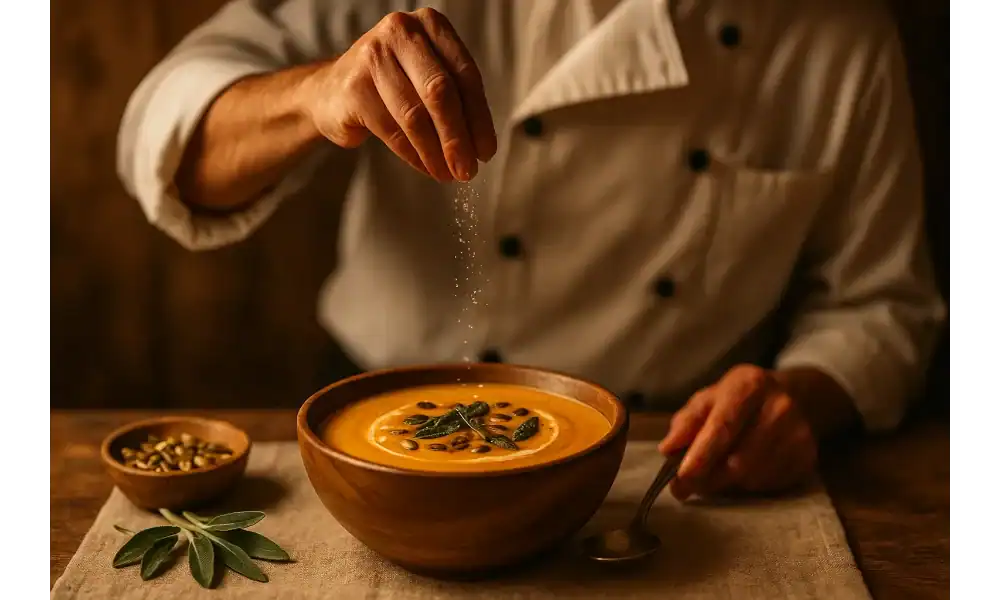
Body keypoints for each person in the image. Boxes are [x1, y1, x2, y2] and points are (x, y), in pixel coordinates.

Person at [117, 0, 946, 501]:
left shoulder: (841, 35)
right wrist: (314, 91)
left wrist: (800, 399)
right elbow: (172, 138)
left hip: (665, 464)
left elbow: (881, 304)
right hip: (370, 432)